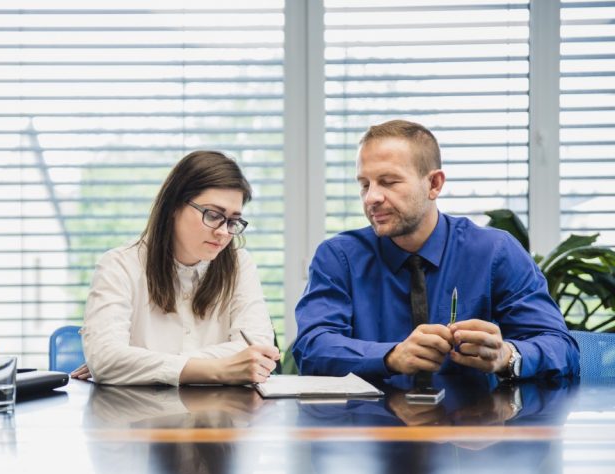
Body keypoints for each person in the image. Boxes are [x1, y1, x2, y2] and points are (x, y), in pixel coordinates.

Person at [292, 120, 579, 381]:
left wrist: (507, 356)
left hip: (474, 430)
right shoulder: (338, 257)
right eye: (364, 184)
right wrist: (391, 356)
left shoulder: (496, 252)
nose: (372, 198)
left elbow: (561, 348)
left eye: (389, 182)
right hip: (370, 428)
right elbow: (312, 347)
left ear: (434, 184)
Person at [72, 150, 280, 385]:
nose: (223, 232)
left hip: (223, 416)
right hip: (139, 416)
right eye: (213, 215)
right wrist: (219, 369)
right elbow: (106, 360)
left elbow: (258, 350)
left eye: (233, 221)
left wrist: (137, 363)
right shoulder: (118, 266)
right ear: (173, 206)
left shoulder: (240, 264)